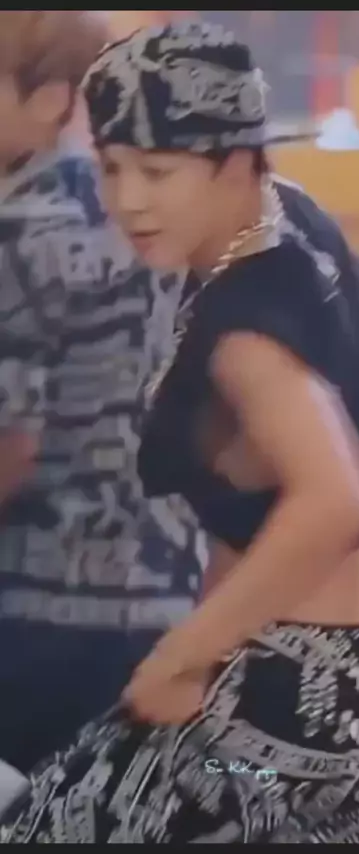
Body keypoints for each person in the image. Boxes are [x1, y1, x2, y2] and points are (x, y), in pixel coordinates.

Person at [0, 21, 359, 843]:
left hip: (257, 719)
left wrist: (183, 655)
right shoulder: (300, 228)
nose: (129, 200)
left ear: (234, 161)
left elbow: (338, 498)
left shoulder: (245, 327)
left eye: (158, 172)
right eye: (113, 167)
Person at [0, 12, 201, 775]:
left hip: (38, 615)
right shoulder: (152, 221)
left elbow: (10, 448)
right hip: (166, 607)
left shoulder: (19, 231)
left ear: (51, 100)